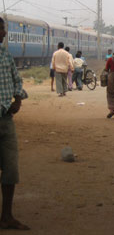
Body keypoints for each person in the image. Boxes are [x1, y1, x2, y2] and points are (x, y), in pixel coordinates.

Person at [0, 17, 29, 230]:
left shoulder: (6, 56)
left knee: (10, 168)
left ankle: (7, 216)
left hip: (5, 120)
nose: (4, 34)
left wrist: (18, 99)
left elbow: (17, 80)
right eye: (1, 30)